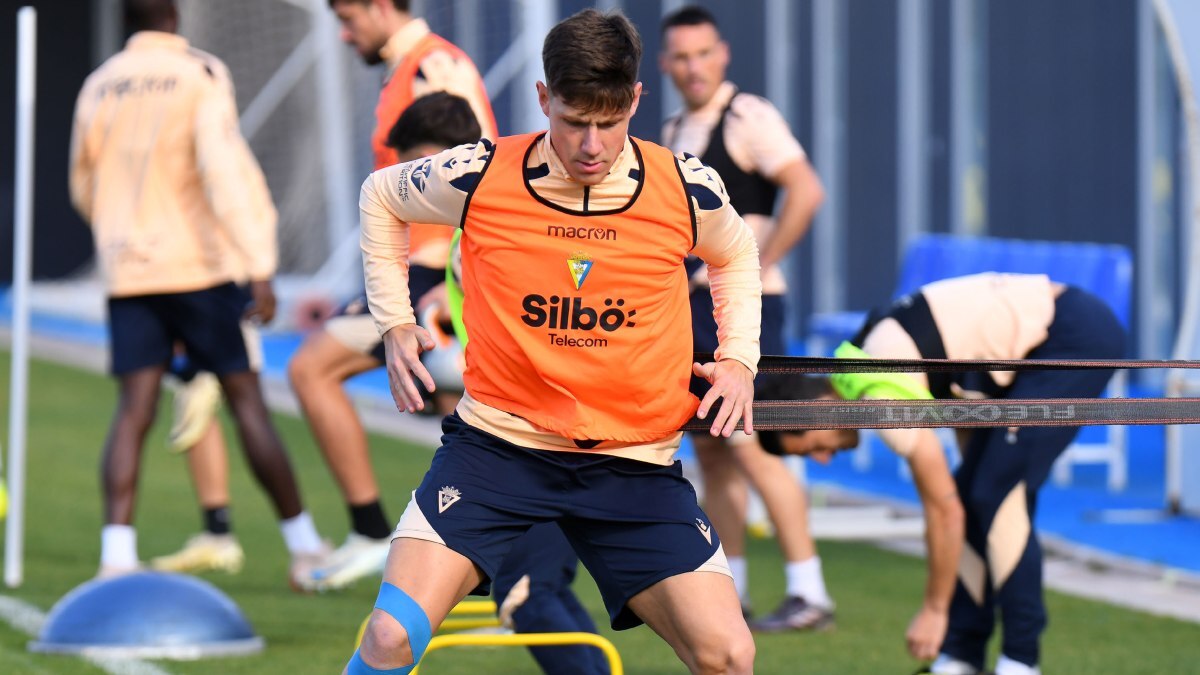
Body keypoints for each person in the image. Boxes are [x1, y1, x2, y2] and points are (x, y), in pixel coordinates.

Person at [348, 9, 762, 675]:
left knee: (729, 655)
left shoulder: (684, 187)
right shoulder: (481, 173)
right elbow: (381, 196)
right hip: (498, 452)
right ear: (544, 99)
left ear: (634, 100)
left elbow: (736, 256)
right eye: (573, 121)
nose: (592, 144)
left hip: (635, 464)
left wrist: (740, 358)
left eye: (609, 121)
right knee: (390, 637)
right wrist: (395, 323)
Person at [67, 0, 328, 583]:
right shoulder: (199, 73)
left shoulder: (98, 84)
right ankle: (305, 547)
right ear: (176, 15)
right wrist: (259, 264)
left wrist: (118, 233)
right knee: (246, 403)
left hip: (129, 270)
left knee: (134, 408)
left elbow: (82, 181)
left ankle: (116, 559)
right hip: (200, 269)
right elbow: (223, 170)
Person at [756, 272, 1125, 675]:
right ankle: (963, 656)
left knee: (996, 496)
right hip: (1020, 356)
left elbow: (942, 510)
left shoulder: (880, 399)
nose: (824, 460)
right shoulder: (852, 367)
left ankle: (1021, 661)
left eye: (812, 449)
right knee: (976, 493)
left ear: (816, 410)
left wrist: (934, 609)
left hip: (1070, 336)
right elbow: (959, 371)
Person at [281, 0, 500, 588]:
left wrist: (457, 273)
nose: (345, 33)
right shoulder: (407, 68)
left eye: (349, 17)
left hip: (436, 273)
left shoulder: (435, 67)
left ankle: (374, 532)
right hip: (422, 270)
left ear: (381, 7)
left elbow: (479, 162)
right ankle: (487, 568)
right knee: (462, 413)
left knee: (312, 368)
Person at [659, 5, 831, 631]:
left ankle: (810, 591)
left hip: (745, 306)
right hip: (694, 308)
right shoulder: (676, 127)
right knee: (714, 451)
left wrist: (756, 263)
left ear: (722, 54)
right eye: (681, 56)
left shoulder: (748, 116)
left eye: (703, 54)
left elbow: (807, 189)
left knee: (756, 446)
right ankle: (732, 593)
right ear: (664, 64)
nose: (693, 66)